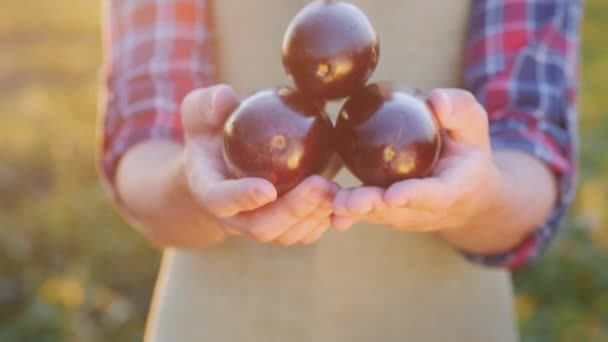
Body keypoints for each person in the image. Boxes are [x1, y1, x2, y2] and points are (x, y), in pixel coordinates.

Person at [98, 0, 582, 341]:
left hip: (444, 324)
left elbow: (530, 157)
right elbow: (145, 148)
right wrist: (191, 183)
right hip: (217, 324)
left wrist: (477, 198)